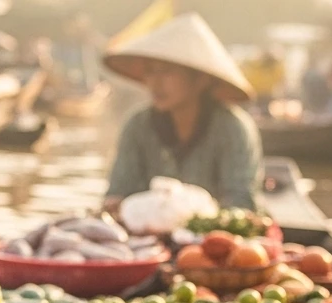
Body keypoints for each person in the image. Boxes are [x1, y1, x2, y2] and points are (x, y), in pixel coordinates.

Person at [102, 13, 262, 211]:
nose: (155, 83)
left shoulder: (233, 128)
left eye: (166, 71)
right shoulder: (137, 126)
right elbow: (120, 191)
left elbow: (241, 201)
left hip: (212, 236)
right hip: (144, 234)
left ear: (201, 79)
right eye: (151, 71)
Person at [243, 50, 285, 116]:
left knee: (265, 110)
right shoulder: (257, 66)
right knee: (257, 110)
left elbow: (280, 80)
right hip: (256, 93)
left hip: (266, 94)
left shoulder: (273, 69)